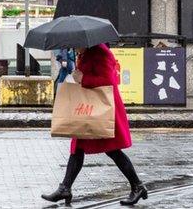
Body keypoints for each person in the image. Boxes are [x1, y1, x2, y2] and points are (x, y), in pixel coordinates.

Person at [42, 43, 147, 206]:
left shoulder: (100, 52)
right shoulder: (84, 52)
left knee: (112, 150)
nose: (75, 49)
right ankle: (65, 188)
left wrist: (83, 79)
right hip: (89, 109)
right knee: (77, 149)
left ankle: (137, 186)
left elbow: (109, 80)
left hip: (102, 110)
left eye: (76, 46)